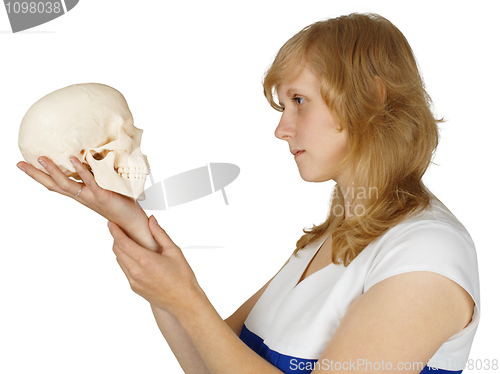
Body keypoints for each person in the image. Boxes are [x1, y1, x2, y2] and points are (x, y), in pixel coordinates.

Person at [17, 12, 479, 374]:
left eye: (299, 101)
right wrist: (129, 219)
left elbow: (196, 322)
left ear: (373, 96)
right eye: (283, 106)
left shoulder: (426, 255)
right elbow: (211, 364)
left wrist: (185, 299)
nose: (281, 129)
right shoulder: (327, 241)